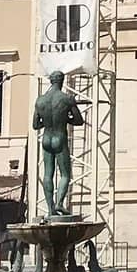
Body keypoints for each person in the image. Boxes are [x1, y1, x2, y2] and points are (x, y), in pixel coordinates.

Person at [32, 71, 84, 216]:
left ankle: (50, 209)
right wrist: (66, 117)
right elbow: (79, 120)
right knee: (65, 174)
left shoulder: (40, 100)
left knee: (48, 174)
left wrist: (47, 121)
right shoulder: (66, 99)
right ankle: (60, 203)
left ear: (51, 81)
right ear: (62, 81)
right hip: (59, 138)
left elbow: (35, 125)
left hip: (46, 138)